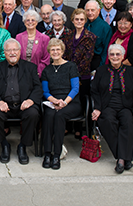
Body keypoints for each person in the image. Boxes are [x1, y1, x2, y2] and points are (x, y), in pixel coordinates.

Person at [0, 39, 42, 165]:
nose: (12, 53)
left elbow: (38, 88)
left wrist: (30, 100)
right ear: (4, 52)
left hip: (24, 105)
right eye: (9, 50)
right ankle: (4, 145)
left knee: (33, 114)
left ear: (20, 51)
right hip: (4, 105)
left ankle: (22, 146)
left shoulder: (30, 67)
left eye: (15, 50)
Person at [91, 44, 133, 174]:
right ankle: (124, 158)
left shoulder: (131, 71)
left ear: (122, 56)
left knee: (128, 122)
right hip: (107, 107)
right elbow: (94, 91)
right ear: (108, 56)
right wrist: (97, 108)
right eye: (112, 54)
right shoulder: (101, 71)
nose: (115, 57)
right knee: (107, 122)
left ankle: (121, 159)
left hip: (126, 107)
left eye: (118, 54)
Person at [48, 9, 96, 138]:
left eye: (81, 19)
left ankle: (79, 129)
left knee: (80, 100)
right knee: (68, 98)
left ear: (85, 21)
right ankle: (67, 127)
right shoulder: (68, 35)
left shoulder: (90, 37)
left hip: (83, 75)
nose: (79, 21)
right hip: (67, 74)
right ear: (72, 20)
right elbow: (66, 55)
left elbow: (87, 58)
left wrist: (74, 74)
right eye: (76, 19)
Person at [40, 39, 81, 170]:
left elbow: (75, 88)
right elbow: (45, 91)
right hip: (53, 101)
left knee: (59, 116)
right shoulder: (47, 70)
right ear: (49, 52)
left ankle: (56, 154)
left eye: (58, 49)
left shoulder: (71, 66)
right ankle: (47, 153)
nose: (55, 52)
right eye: (52, 49)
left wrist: (64, 102)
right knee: (48, 115)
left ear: (62, 51)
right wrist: (54, 101)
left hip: (71, 102)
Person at [16, 10, 50, 77]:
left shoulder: (45, 38)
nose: (30, 22)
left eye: (33, 20)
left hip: (38, 75)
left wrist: (36, 72)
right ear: (24, 22)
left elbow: (46, 59)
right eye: (28, 20)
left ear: (37, 22)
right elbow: (16, 56)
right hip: (21, 74)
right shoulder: (18, 37)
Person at [84, 0, 112, 69]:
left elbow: (106, 50)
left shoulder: (105, 27)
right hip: (84, 62)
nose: (90, 13)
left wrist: (101, 68)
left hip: (97, 61)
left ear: (98, 11)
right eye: (87, 10)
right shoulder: (83, 24)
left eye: (92, 10)